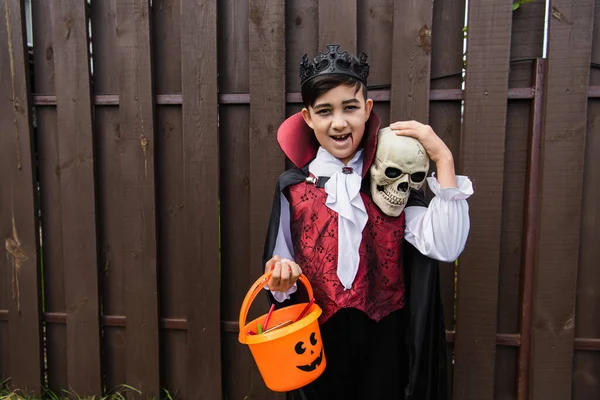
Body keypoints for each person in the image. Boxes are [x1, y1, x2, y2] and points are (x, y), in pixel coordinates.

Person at [260, 44, 473, 399]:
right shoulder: (293, 188)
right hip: (318, 344)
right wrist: (280, 279)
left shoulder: (391, 179)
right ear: (308, 118)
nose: (339, 122)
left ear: (367, 109)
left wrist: (443, 157)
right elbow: (280, 281)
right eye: (325, 111)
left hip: (386, 344)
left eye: (350, 107)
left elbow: (447, 246)